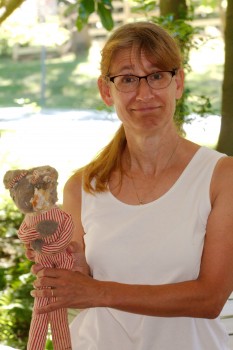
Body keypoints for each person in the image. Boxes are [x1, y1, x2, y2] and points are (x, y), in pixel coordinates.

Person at [28, 21, 233, 349]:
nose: (144, 93)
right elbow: (79, 295)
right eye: (127, 79)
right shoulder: (80, 187)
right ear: (106, 91)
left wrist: (98, 291)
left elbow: (209, 299)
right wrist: (61, 264)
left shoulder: (220, 177)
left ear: (177, 82)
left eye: (156, 76)